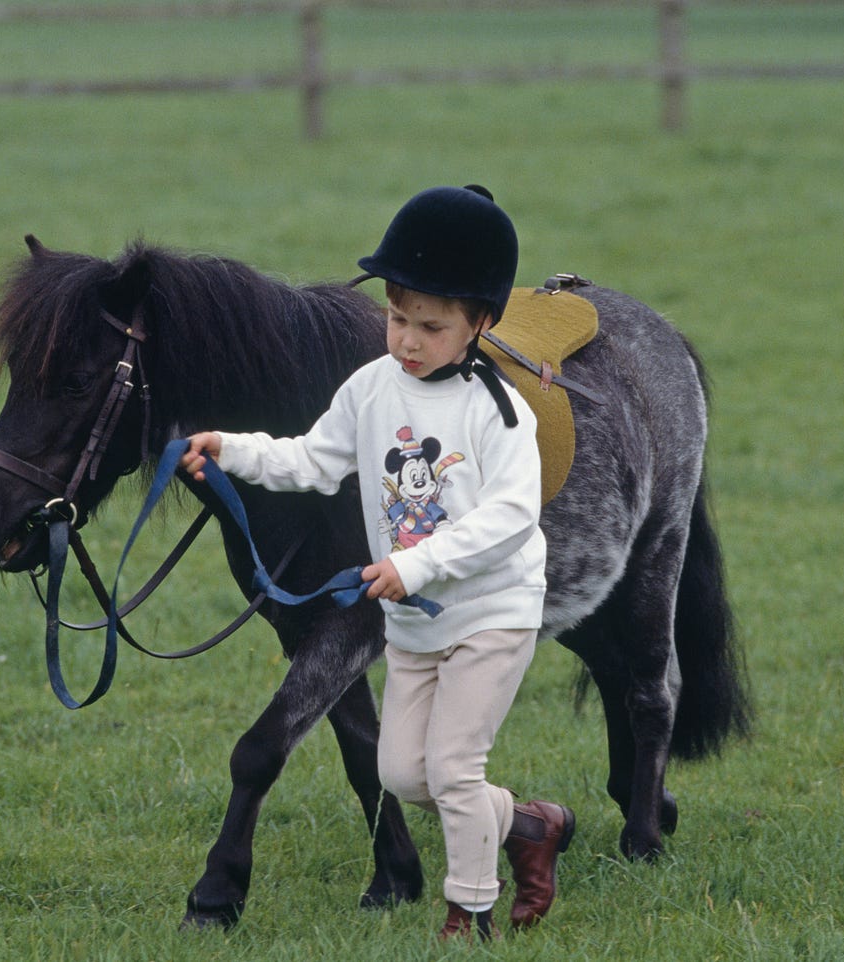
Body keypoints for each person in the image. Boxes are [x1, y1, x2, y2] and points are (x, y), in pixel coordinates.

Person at [180, 185, 574, 941]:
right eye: (398, 319)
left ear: (480, 325)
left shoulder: (499, 412)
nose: (409, 340)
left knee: (453, 770)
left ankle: (472, 914)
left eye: (432, 327)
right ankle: (529, 826)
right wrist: (231, 447)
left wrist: (416, 567)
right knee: (404, 775)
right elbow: (312, 460)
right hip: (415, 625)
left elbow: (510, 517)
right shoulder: (370, 387)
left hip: (493, 611)